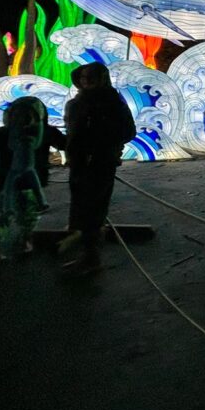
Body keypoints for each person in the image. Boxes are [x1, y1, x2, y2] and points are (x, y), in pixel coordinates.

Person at [62, 62, 136, 274]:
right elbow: (72, 133)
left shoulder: (112, 104)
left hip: (100, 162)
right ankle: (85, 247)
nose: (86, 82)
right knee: (82, 205)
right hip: (80, 163)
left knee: (94, 208)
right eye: (83, 78)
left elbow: (128, 131)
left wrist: (103, 142)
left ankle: (91, 256)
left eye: (91, 78)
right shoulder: (77, 103)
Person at [0, 96, 66, 264]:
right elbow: (65, 144)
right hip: (30, 182)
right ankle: (24, 240)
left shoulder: (4, 132)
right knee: (27, 215)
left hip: (3, 181)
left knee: (1, 213)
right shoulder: (46, 131)